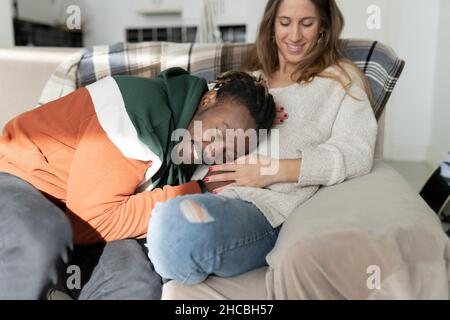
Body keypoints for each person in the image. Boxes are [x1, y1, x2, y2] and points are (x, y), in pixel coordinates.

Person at [147, 0, 378, 287]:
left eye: (306, 23)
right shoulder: (249, 81)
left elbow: (357, 153)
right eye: (285, 23)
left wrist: (273, 171)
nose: (294, 35)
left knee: (174, 228)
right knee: (144, 226)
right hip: (192, 191)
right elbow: (196, 121)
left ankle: (181, 254)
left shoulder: (339, 82)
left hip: (259, 211)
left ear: (324, 28)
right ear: (271, 26)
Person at [0, 67, 277, 299]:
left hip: (85, 221)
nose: (213, 150)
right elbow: (95, 220)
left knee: (137, 285)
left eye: (227, 151)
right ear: (209, 99)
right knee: (41, 242)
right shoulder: (137, 113)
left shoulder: (183, 148)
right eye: (219, 132)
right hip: (22, 180)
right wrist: (196, 190)